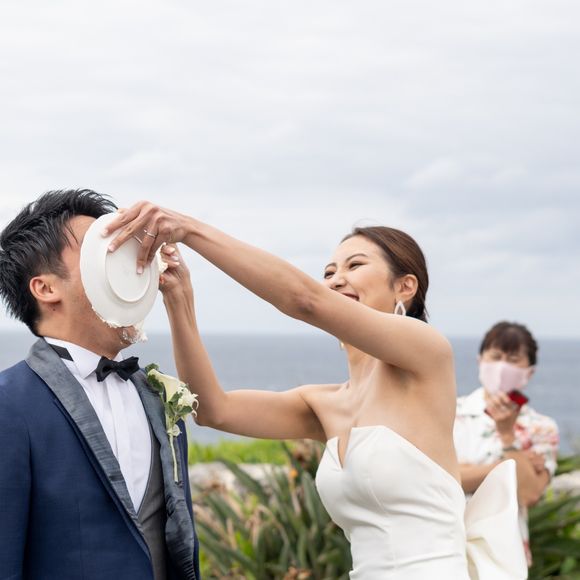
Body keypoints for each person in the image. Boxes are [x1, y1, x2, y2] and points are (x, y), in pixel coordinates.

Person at [105, 201, 527, 579]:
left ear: (405, 287)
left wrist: (189, 229)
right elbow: (214, 409)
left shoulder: (427, 353)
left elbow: (305, 301)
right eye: (328, 273)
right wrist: (179, 298)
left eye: (354, 266)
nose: (336, 279)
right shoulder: (323, 404)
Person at [0, 190, 200, 580]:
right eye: (99, 248)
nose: (120, 257)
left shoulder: (156, 395)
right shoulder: (8, 404)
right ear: (45, 288)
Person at [454, 321, 559, 566]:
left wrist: (507, 435)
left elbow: (528, 493)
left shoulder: (542, 427)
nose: (502, 366)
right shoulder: (449, 412)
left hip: (505, 553)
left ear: (529, 371)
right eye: (495, 357)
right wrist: (508, 467)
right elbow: (438, 478)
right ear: (480, 360)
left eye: (513, 360)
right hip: (449, 543)